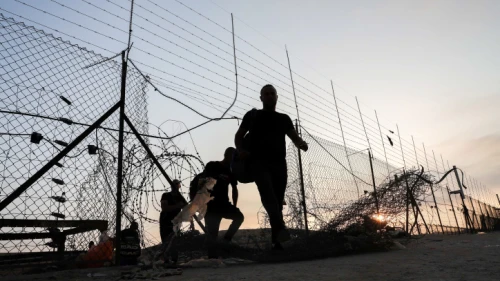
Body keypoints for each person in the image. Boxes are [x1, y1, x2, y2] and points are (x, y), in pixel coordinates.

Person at [234, 84, 308, 250]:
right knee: (268, 194)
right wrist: (241, 150)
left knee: (276, 200)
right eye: (265, 94)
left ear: (276, 96)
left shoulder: (284, 118)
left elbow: (294, 137)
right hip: (258, 163)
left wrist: (301, 143)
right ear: (261, 98)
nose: (269, 96)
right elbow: (239, 136)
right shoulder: (253, 115)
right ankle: (280, 230)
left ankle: (277, 242)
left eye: (272, 93)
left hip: (279, 165)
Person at [203, 147, 244, 258]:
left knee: (239, 217)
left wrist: (234, 206)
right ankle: (212, 258)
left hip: (224, 204)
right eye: (233, 157)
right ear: (227, 155)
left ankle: (226, 240)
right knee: (212, 234)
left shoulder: (230, 172)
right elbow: (203, 182)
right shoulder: (212, 165)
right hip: (211, 205)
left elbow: (234, 188)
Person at [159, 179, 186, 263]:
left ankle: (174, 260)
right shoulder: (166, 195)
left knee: (174, 241)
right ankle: (166, 260)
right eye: (174, 184)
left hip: (176, 221)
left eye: (177, 184)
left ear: (179, 186)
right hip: (166, 220)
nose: (175, 185)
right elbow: (164, 208)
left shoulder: (180, 197)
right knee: (166, 240)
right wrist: (177, 206)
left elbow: (186, 209)